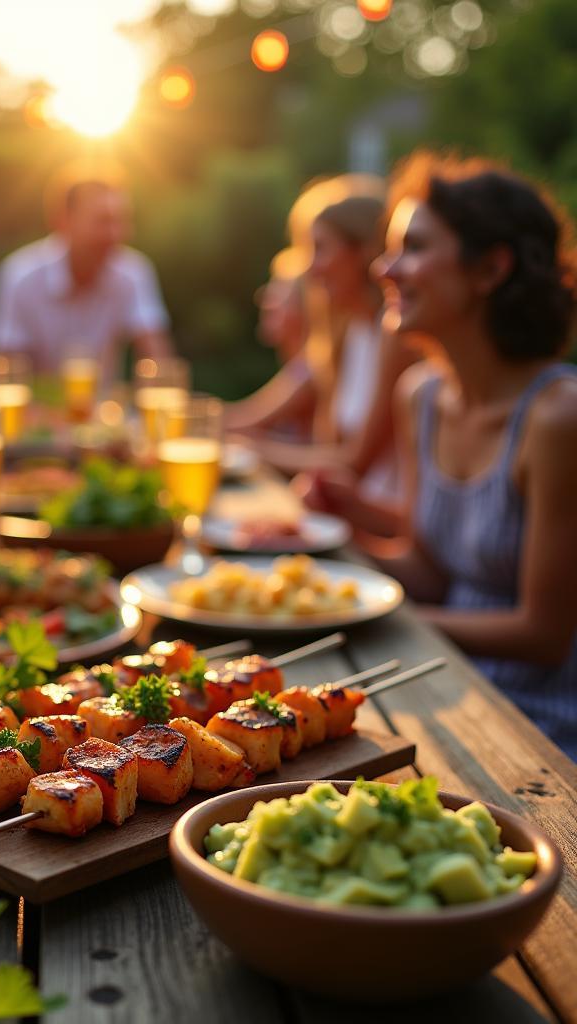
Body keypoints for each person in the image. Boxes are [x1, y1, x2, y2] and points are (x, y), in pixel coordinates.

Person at [346, 154, 577, 757]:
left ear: (491, 268)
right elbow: (427, 570)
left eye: (414, 247)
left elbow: (544, 634)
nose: (385, 267)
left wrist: (384, 617)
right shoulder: (420, 396)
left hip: (541, 730)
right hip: (442, 688)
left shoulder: (558, 417)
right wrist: (335, 554)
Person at [240, 177, 419, 502]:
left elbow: (352, 463)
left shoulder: (395, 336)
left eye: (320, 249)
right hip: (340, 517)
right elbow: (328, 450)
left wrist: (248, 450)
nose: (308, 269)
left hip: (372, 529)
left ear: (363, 252)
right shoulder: (348, 332)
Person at [0, 169, 172, 383]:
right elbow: (4, 374)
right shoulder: (20, 275)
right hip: (35, 412)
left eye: (122, 221)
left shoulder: (133, 271)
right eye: (104, 221)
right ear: (63, 220)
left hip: (105, 413)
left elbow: (159, 364)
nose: (116, 233)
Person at [224, 254, 313, 440]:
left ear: (307, 308)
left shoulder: (308, 369)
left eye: (279, 294)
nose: (265, 302)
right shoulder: (297, 366)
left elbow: (244, 422)